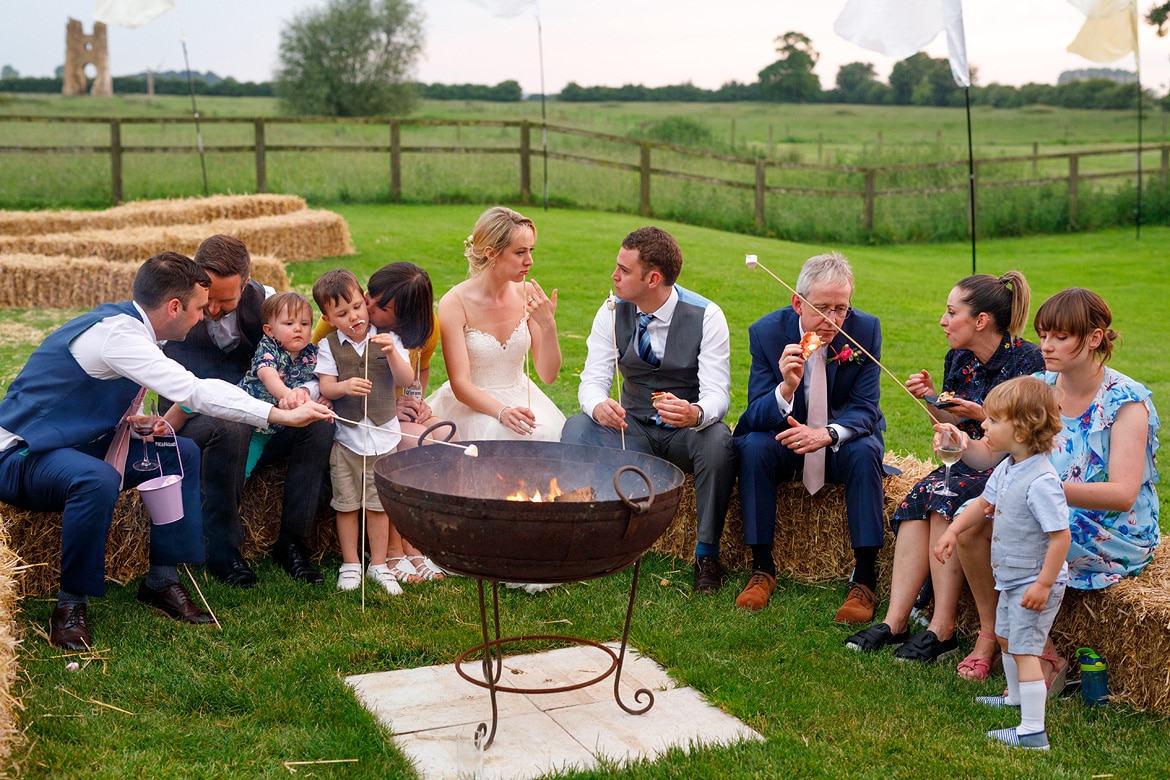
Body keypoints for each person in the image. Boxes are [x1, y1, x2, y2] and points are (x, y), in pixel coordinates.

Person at [0, 253, 332, 650]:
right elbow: (194, 390)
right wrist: (278, 414)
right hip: (22, 452)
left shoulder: (133, 329)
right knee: (97, 478)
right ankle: (70, 605)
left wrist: (132, 419)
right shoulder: (120, 337)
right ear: (174, 307)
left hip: (70, 442)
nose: (203, 316)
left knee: (182, 452)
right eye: (197, 308)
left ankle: (162, 579)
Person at [947, 287, 1160, 692]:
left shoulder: (1125, 401)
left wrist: (1042, 490)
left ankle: (1039, 657)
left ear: (1094, 339)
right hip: (1049, 509)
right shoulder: (1038, 387)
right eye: (1043, 334)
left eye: (1060, 337)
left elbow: (1123, 495)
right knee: (971, 521)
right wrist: (962, 445)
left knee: (1013, 531)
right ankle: (997, 636)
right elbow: (994, 459)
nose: (1045, 345)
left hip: (1111, 530)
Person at [845, 273, 1044, 670]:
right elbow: (951, 420)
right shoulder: (959, 359)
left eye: (952, 312)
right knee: (919, 495)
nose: (943, 320)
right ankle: (895, 620)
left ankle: (942, 628)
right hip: (970, 457)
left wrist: (980, 413)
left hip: (1011, 466)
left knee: (944, 497)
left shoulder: (1028, 360)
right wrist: (933, 401)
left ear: (981, 320)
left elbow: (1032, 428)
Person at [561, 226, 734, 593]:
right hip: (632, 430)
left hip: (684, 436)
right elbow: (592, 380)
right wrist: (598, 407)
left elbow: (718, 393)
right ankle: (586, 536)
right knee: (576, 428)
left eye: (623, 270)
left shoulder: (708, 315)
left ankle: (707, 554)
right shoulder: (611, 311)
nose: (614, 275)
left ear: (653, 278)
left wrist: (696, 413)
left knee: (718, 439)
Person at [161, 235, 335, 588]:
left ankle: (293, 543)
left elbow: (301, 358)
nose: (212, 309)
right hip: (195, 422)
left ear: (247, 281)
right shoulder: (171, 305)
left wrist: (308, 393)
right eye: (208, 298)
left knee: (319, 426)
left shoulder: (268, 303)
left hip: (266, 420)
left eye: (226, 300)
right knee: (232, 427)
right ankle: (222, 547)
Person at [732, 252, 884, 622]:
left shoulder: (864, 331)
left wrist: (827, 434)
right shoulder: (766, 333)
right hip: (790, 438)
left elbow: (866, 408)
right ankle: (762, 568)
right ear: (797, 302)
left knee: (865, 450)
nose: (832, 321)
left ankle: (864, 578)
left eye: (841, 308)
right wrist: (785, 389)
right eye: (822, 308)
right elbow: (753, 414)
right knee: (753, 447)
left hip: (836, 442)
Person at [934, 376, 1069, 751]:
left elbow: (1061, 537)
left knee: (1026, 650)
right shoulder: (1009, 466)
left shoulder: (1041, 480)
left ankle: (1032, 732)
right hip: (1010, 578)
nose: (984, 426)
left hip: (1033, 580)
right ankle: (1014, 699)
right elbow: (982, 505)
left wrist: (1043, 584)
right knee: (1008, 640)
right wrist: (952, 531)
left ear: (1022, 430)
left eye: (993, 420)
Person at [313, 269, 418, 594]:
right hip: (346, 440)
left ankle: (379, 565)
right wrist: (344, 386)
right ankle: (350, 563)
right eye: (342, 314)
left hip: (383, 439)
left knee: (377, 505)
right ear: (328, 317)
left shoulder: (389, 339)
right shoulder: (330, 346)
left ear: (365, 300)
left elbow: (405, 379)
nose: (353, 317)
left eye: (357, 307)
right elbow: (327, 388)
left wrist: (390, 353)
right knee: (346, 504)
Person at [427, 206, 566, 441]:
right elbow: (460, 384)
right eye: (520, 252)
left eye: (531, 250)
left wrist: (548, 325)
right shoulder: (455, 302)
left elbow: (548, 375)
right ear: (491, 253)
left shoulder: (528, 292)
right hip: (472, 403)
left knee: (546, 432)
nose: (529, 260)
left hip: (521, 394)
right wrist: (502, 412)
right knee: (499, 434)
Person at [312, 261, 445, 453]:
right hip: (360, 413)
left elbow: (421, 368)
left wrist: (416, 403)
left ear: (405, 316)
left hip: (394, 408)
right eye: (371, 294)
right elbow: (314, 366)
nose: (368, 305)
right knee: (420, 441)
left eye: (383, 307)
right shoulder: (339, 322)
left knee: (443, 433)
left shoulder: (428, 327)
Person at [236, 292, 319, 477]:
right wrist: (286, 394)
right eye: (289, 324)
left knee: (245, 464)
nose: (298, 329)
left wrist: (324, 397)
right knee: (191, 404)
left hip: (266, 426)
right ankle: (164, 430)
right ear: (269, 330)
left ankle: (235, 490)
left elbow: (321, 379)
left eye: (304, 324)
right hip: (242, 404)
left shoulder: (312, 355)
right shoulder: (268, 347)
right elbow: (268, 375)